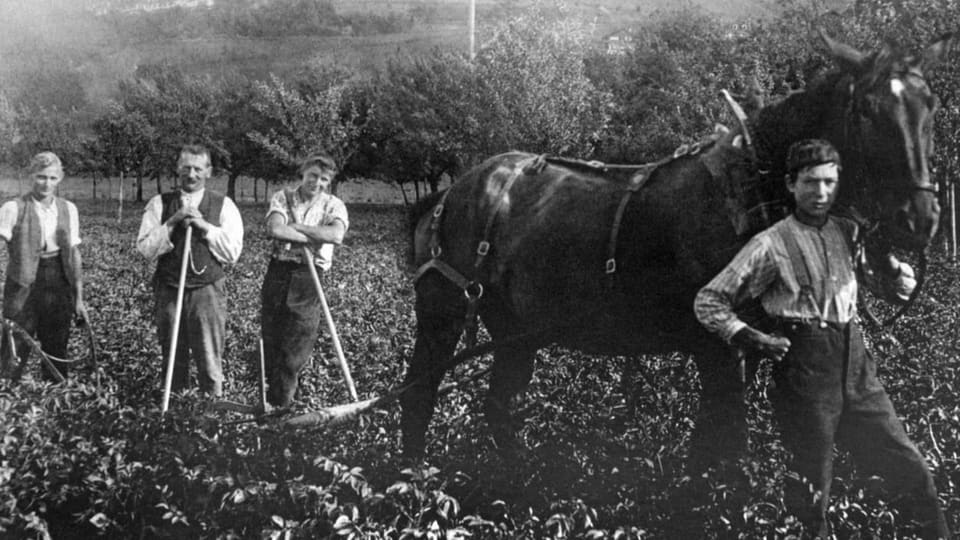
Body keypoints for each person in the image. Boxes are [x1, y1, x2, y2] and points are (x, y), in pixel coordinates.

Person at [694, 139, 948, 539]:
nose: (821, 193)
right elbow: (709, 301)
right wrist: (752, 338)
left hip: (858, 367)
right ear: (791, 185)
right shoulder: (770, 244)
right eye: (811, 183)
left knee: (911, 469)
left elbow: (897, 291)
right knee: (813, 491)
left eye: (830, 182)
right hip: (804, 373)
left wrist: (890, 261)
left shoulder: (848, 233)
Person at [136, 144, 243, 397]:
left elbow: (232, 253)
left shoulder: (223, 205)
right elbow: (145, 248)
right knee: (173, 357)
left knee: (209, 359)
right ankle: (175, 416)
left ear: (208, 171)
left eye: (198, 168)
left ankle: (212, 421)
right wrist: (173, 222)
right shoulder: (159, 204)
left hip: (206, 291)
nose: (191, 174)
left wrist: (203, 226)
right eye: (186, 168)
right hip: (169, 289)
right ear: (177, 169)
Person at [260, 153, 348, 408]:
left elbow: (336, 235)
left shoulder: (334, 205)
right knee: (272, 340)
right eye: (313, 175)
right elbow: (275, 229)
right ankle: (268, 401)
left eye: (323, 179)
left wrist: (297, 230)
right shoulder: (283, 197)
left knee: (297, 343)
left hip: (309, 279)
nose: (317, 182)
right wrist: (314, 237)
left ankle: (283, 406)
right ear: (303, 173)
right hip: (279, 273)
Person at [0, 151, 86, 381]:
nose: (46, 183)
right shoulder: (13, 208)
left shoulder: (68, 208)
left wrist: (78, 298)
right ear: (30, 177)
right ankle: (7, 402)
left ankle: (57, 404)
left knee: (56, 346)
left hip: (57, 280)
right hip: (22, 282)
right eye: (41, 177)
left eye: (52, 178)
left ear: (60, 179)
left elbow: (73, 254)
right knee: (14, 344)